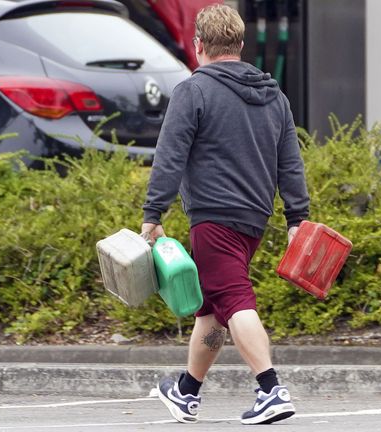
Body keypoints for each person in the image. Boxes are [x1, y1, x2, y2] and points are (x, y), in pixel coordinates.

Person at [140, 3, 309, 426]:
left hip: (213, 217)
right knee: (212, 307)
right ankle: (186, 391)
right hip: (253, 218)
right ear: (240, 44)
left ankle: (271, 389)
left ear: (198, 45)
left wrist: (153, 212)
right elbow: (290, 162)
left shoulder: (193, 90)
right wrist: (296, 219)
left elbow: (170, 155)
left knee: (233, 298)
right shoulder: (275, 96)